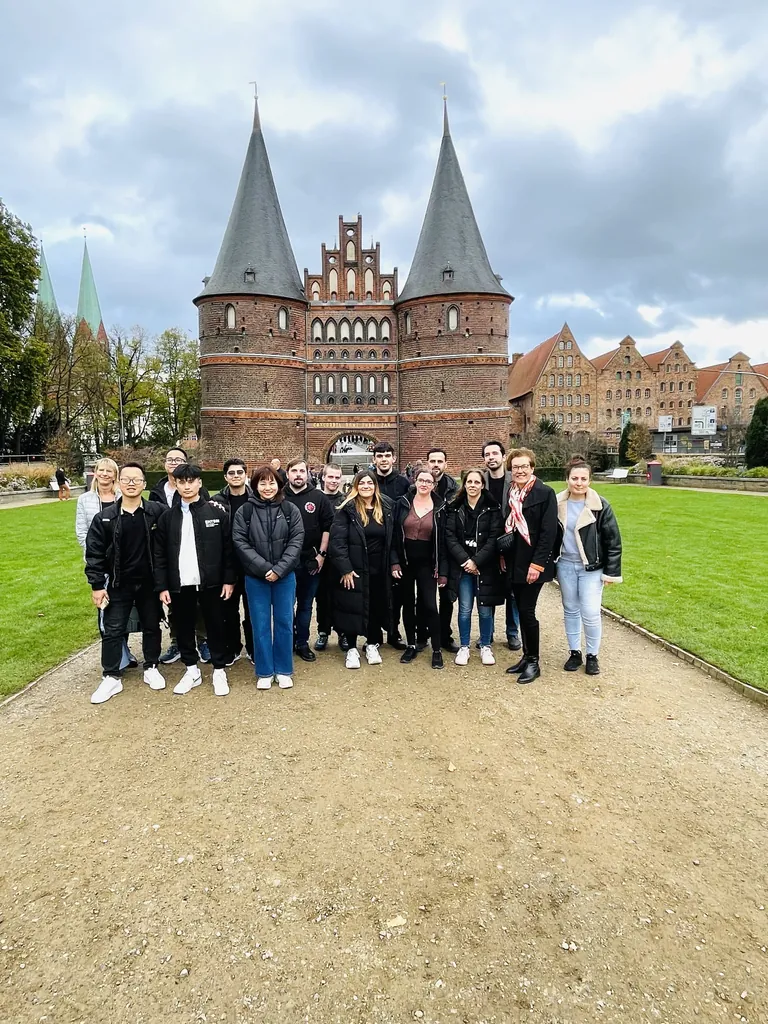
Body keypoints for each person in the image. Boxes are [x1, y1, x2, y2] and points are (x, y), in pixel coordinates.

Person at [84, 463, 167, 704]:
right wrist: (97, 585)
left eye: (136, 479)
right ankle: (111, 676)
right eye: (127, 479)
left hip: (149, 583)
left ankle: (151, 666)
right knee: (113, 629)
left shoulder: (156, 512)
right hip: (119, 584)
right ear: (120, 483)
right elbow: (95, 553)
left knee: (152, 625)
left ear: (144, 484)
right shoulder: (105, 517)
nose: (131, 483)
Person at [154, 464, 236, 697]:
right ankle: (191, 669)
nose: (187, 486)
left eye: (191, 481)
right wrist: (162, 586)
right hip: (180, 584)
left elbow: (228, 550)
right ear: (176, 484)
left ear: (199, 483)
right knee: (183, 628)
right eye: (182, 482)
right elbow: (159, 554)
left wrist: (229, 580)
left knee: (215, 626)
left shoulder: (216, 513)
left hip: (211, 583)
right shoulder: (167, 518)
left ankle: (219, 669)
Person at [232, 464, 304, 690]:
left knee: (284, 622)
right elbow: (240, 542)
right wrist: (265, 569)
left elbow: (297, 541)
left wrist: (280, 569)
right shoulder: (244, 511)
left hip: (284, 576)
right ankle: (264, 670)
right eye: (262, 482)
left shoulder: (291, 509)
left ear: (279, 484)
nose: (267, 487)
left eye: (271, 482)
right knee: (260, 624)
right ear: (254, 485)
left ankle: (283, 669)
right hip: (256, 578)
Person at [555, 457, 623, 676]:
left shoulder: (600, 506)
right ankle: (575, 652)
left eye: (584, 478)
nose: (579, 483)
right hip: (565, 564)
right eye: (574, 478)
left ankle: (592, 654)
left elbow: (613, 541)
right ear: (567, 479)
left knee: (591, 612)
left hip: (591, 568)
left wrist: (611, 572)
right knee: (571, 610)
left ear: (590, 481)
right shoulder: (557, 504)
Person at [498, 448, 558, 684]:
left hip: (533, 563)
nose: (520, 470)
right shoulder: (512, 492)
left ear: (532, 468)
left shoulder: (544, 493)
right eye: (516, 467)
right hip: (515, 562)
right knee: (521, 609)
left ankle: (533, 661)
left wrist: (538, 564)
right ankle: (526, 656)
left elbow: (548, 533)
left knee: (527, 611)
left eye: (524, 466)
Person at [75, 458, 137, 671]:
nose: (105, 474)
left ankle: (124, 650)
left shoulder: (123, 496)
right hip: (101, 564)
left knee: (122, 610)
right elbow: (82, 532)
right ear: (95, 473)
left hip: (123, 563)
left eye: (109, 471)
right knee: (104, 610)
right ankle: (115, 656)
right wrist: (95, 556)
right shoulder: (85, 500)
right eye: (101, 470)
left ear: (115, 475)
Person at [150, 447, 211, 665]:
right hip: (171, 549)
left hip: (195, 554)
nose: (174, 462)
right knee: (176, 605)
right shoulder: (157, 490)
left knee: (200, 604)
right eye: (170, 459)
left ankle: (203, 640)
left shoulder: (197, 490)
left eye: (179, 459)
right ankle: (177, 641)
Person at [329, 470, 394, 670]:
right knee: (352, 607)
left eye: (370, 483)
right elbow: (337, 542)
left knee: (375, 606)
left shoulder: (385, 507)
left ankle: (372, 643)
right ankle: (351, 648)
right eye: (362, 483)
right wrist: (345, 568)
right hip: (355, 568)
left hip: (378, 568)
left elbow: (392, 539)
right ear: (356, 486)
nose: (366, 486)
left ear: (375, 486)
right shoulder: (346, 510)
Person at [444, 468, 504, 666]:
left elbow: (494, 538)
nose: (472, 485)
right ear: (464, 484)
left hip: (484, 566)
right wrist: (466, 561)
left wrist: (477, 561)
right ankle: (464, 647)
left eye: (477, 482)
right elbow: (450, 537)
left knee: (485, 609)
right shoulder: (455, 507)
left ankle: (485, 645)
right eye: (469, 482)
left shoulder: (492, 508)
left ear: (482, 485)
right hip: (463, 567)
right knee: (464, 609)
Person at [391, 467, 447, 669]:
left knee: (430, 605)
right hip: (406, 562)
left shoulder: (441, 507)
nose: (424, 484)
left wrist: (442, 570)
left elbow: (444, 542)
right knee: (407, 604)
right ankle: (412, 644)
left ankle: (437, 649)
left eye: (428, 481)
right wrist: (395, 561)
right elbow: (394, 537)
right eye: (421, 480)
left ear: (434, 485)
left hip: (428, 563)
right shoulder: (403, 503)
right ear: (415, 481)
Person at [283, 459, 334, 662]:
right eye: (294, 471)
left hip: (310, 560)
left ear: (308, 474)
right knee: (286, 605)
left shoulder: (318, 498)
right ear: (287, 474)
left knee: (305, 605)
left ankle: (302, 643)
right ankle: (287, 642)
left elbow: (327, 528)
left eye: (301, 471)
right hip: (285, 562)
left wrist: (321, 555)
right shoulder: (279, 496)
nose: (298, 475)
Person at [212, 458, 254, 665]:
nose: (236, 476)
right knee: (228, 610)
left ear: (246, 475)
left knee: (253, 609)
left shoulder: (255, 498)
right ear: (225, 476)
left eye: (240, 472)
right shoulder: (216, 501)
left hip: (251, 563)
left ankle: (253, 648)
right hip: (226, 563)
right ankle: (233, 647)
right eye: (232, 473)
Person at [482, 440, 521, 652]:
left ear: (503, 456)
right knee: (488, 590)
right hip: (487, 543)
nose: (491, 457)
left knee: (513, 591)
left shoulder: (514, 481)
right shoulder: (479, 481)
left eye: (495, 453)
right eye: (487, 454)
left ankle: (512, 632)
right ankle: (487, 634)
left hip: (511, 542)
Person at [371, 442, 410, 650]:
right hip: (376, 545)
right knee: (376, 591)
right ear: (374, 459)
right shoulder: (369, 482)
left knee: (398, 594)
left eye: (387, 455)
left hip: (398, 544)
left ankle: (394, 632)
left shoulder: (403, 483)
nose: (383, 459)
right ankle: (375, 633)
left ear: (393, 459)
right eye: (380, 456)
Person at [427, 447, 459, 652]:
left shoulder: (454, 490)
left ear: (446, 464)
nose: (436, 465)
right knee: (424, 596)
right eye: (432, 461)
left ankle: (445, 635)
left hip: (446, 549)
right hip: (423, 548)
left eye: (440, 461)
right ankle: (423, 633)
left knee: (446, 596)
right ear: (427, 463)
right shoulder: (417, 487)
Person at [314, 463, 346, 652]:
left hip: (340, 556)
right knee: (322, 596)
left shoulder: (346, 500)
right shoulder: (317, 498)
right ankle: (323, 631)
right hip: (320, 555)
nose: (333, 480)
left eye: (337, 477)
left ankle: (342, 632)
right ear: (323, 478)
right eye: (330, 477)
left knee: (342, 595)